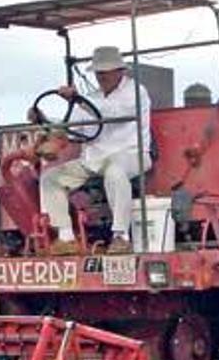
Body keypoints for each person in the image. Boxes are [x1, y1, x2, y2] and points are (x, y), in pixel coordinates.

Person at [34, 45, 151, 255]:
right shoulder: (92, 97)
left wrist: (79, 100)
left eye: (106, 72)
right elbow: (72, 126)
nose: (102, 77)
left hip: (132, 154)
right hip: (94, 158)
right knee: (50, 178)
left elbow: (111, 112)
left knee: (115, 172)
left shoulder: (136, 92)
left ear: (120, 71)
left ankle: (121, 236)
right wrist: (43, 120)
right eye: (99, 73)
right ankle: (66, 237)